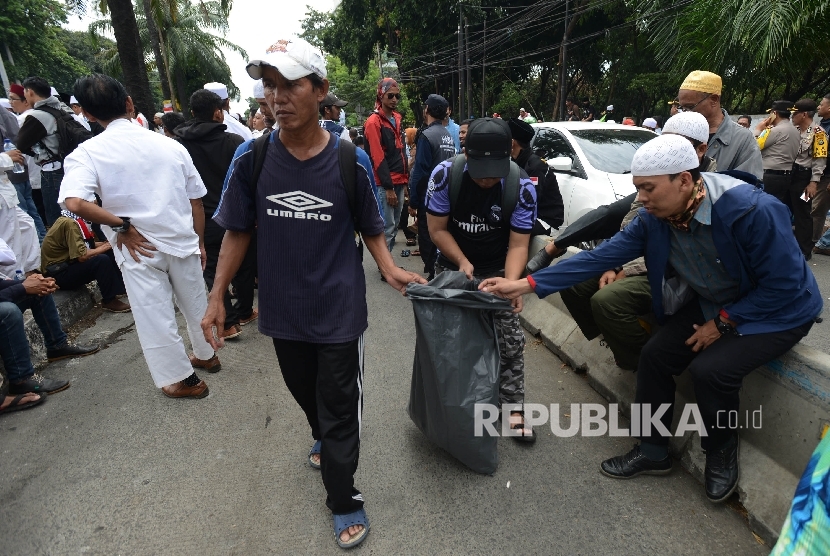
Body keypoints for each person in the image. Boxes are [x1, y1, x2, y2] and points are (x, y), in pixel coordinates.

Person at [480, 134, 821, 503]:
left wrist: (724, 322)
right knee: (655, 357)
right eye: (637, 188)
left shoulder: (751, 210)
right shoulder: (655, 219)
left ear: (685, 180)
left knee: (712, 371)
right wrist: (525, 284)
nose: (640, 197)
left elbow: (784, 286)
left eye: (648, 188)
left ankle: (720, 450)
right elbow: (597, 258)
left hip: (777, 311)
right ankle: (653, 450)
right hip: (716, 298)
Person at [205, 37, 425, 549]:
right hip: (283, 311)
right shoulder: (251, 157)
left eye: (290, 85)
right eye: (269, 86)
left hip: (340, 309)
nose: (276, 98)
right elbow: (237, 230)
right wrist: (217, 296)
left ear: (320, 90)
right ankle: (321, 434)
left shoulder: (349, 161)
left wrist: (389, 266)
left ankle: (344, 498)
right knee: (307, 394)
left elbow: (370, 222)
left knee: (340, 403)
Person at [61, 73, 220, 399]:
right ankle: (208, 355)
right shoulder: (171, 145)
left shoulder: (87, 153)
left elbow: (75, 201)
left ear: (87, 114)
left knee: (154, 313)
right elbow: (196, 202)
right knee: (195, 303)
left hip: (138, 246)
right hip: (181, 236)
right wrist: (200, 242)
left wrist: (122, 226)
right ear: (129, 104)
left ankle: (183, 380)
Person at [557, 111, 716, 371]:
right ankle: (616, 339)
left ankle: (642, 363)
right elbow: (631, 225)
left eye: (678, 146)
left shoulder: (712, 189)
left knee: (606, 301)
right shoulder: (657, 174)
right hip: (640, 260)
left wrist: (627, 268)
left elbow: (679, 250)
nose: (667, 152)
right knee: (573, 281)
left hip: (674, 273)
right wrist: (615, 264)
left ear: (700, 150)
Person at [426, 117, 538, 441]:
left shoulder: (523, 187)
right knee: (447, 340)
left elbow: (518, 244)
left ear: (511, 153)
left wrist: (513, 284)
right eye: (481, 171)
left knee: (510, 340)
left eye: (495, 171)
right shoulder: (445, 175)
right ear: (466, 153)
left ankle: (513, 408)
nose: (488, 179)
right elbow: (437, 229)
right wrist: (462, 261)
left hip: (498, 268)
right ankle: (448, 407)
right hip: (452, 264)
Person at [173, 88, 254, 340]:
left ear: (194, 113)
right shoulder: (233, 143)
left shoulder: (178, 145)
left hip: (201, 217)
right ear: (218, 113)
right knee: (243, 263)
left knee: (211, 267)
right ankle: (243, 311)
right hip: (235, 213)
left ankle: (228, 323)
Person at [40, 210, 130, 313]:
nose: (95, 207)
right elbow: (82, 256)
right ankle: (109, 301)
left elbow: (87, 245)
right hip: (58, 273)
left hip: (67, 265)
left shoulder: (76, 220)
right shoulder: (70, 223)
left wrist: (109, 244)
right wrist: (107, 245)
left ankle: (120, 289)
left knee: (109, 251)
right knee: (101, 260)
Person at [676, 70, 762, 178]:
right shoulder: (678, 132)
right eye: (682, 108)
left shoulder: (743, 139)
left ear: (714, 100)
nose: (685, 112)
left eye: (690, 107)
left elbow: (748, 186)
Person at [408, 95, 456, 277]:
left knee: (428, 239)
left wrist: (413, 200)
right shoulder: (447, 135)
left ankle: (432, 275)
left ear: (427, 109)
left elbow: (420, 172)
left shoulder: (426, 135)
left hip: (429, 198)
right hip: (447, 196)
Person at [15, 77, 72, 226]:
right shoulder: (61, 109)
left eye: (25, 92)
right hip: (67, 166)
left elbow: (20, 143)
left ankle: (67, 249)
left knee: (56, 220)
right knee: (72, 215)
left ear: (30, 92)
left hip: (51, 172)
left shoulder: (36, 116)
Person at [364, 77, 408, 252]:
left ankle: (387, 264)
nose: (394, 100)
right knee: (387, 227)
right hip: (385, 183)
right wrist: (388, 187)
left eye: (397, 96)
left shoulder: (396, 119)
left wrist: (405, 182)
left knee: (394, 225)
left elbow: (401, 152)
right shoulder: (373, 122)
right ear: (381, 96)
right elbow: (377, 157)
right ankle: (386, 268)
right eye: (390, 96)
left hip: (399, 180)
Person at [755, 100, 804, 255]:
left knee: (763, 211)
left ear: (774, 113)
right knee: (777, 210)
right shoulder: (796, 130)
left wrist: (758, 129)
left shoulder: (774, 131)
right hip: (785, 176)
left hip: (769, 175)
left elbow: (753, 146)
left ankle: (766, 246)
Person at [508, 117, 563, 235]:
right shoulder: (515, 161)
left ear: (512, 142)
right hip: (529, 214)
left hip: (545, 220)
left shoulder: (535, 166)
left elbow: (529, 202)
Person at [790, 98, 827, 259]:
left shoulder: (819, 133)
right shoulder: (794, 130)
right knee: (787, 210)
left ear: (804, 114)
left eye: (795, 113)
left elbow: (820, 160)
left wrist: (814, 182)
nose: (792, 116)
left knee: (803, 213)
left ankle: (804, 250)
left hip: (805, 179)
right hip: (790, 176)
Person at [812, 94, 830, 251]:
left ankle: (813, 242)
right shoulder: (822, 125)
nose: (818, 107)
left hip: (826, 177)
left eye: (821, 104)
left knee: (817, 209)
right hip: (813, 176)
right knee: (804, 201)